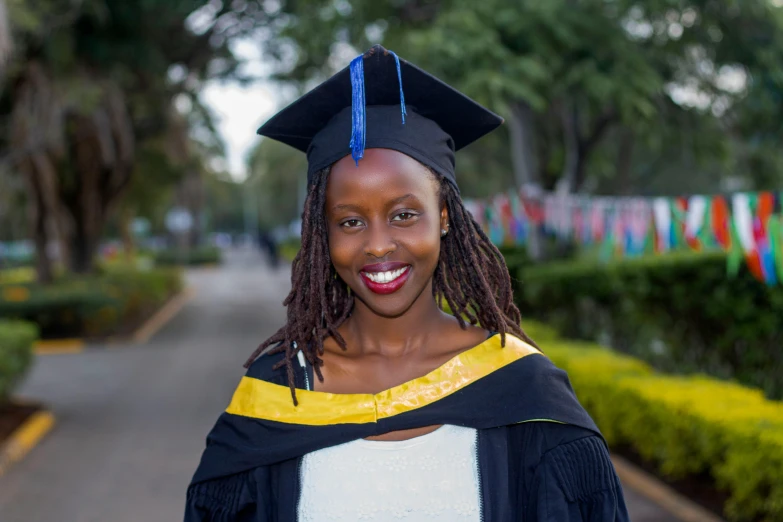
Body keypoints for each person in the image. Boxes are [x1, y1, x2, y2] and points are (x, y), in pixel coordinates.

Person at [186, 45, 629, 522]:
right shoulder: (278, 394)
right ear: (323, 232)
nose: (378, 245)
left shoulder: (522, 391)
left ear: (443, 216)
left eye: (404, 214)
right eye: (350, 222)